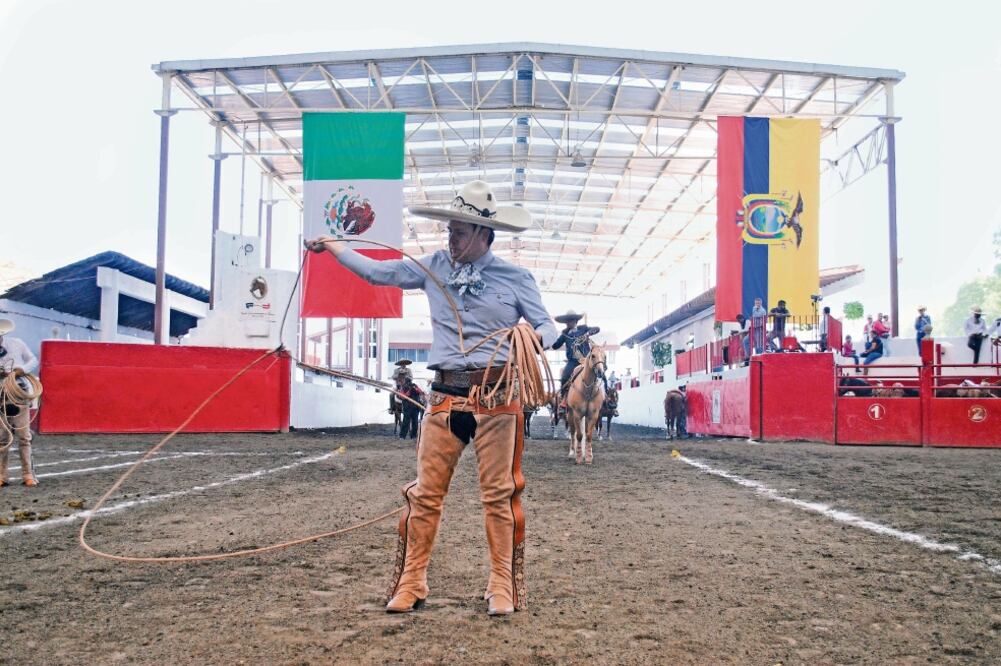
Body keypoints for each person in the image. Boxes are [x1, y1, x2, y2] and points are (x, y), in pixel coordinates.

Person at [308, 180, 557, 616]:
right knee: (425, 494)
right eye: (449, 230)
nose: (450, 237)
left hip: (498, 398)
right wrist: (334, 247)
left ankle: (502, 584)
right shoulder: (434, 266)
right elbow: (379, 273)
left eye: (459, 231)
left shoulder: (517, 278)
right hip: (443, 397)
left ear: (483, 234)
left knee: (499, 495)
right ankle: (411, 581)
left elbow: (548, 326)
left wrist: (532, 338)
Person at [0, 318, 39, 487]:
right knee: (2, 438)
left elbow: (33, 360)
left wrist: (21, 370)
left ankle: (28, 474)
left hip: (19, 393)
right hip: (1, 396)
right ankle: (2, 475)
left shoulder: (17, 343)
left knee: (24, 437)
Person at [551, 311, 602, 402]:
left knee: (601, 374)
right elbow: (555, 346)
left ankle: (605, 399)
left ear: (575, 321)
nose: (567, 323)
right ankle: (563, 400)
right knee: (564, 377)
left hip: (586, 361)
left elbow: (597, 329)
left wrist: (588, 333)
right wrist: (551, 336)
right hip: (573, 362)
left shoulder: (584, 329)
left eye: (569, 321)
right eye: (566, 321)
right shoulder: (565, 334)